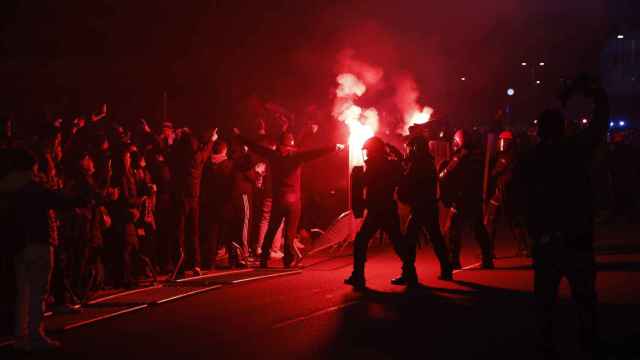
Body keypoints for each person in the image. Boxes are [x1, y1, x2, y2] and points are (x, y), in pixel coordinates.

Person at [512, 75, 609, 357]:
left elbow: (517, 198)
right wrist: (595, 93)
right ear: (563, 129)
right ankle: (589, 346)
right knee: (585, 300)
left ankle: (546, 347)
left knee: (545, 303)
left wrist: (527, 229)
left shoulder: (529, 160)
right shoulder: (575, 151)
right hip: (577, 238)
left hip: (546, 243)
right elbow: (599, 125)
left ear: (539, 132)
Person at [2, 148, 84, 351]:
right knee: (38, 292)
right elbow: (61, 202)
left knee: (22, 291)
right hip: (39, 242)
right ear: (32, 167)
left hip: (17, 245)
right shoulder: (34, 188)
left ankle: (20, 335)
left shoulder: (6, 188)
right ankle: (35, 335)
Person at [234, 128, 343, 268]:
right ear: (290, 145)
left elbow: (256, 147)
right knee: (289, 233)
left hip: (279, 199)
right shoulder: (297, 156)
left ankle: (264, 258)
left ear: (279, 145)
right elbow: (315, 153)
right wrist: (334, 147)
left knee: (272, 229)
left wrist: (240, 137)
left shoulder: (273, 155)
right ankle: (287, 261)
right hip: (293, 201)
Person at [344, 136, 414, 289]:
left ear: (374, 151)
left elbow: (365, 182)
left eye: (369, 151)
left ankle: (358, 276)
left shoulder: (376, 165)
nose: (367, 154)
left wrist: (357, 175)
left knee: (361, 241)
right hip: (388, 208)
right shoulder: (391, 164)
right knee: (398, 242)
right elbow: (401, 170)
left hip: (378, 210)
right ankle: (411, 273)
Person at [398, 135, 453, 283]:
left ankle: (408, 274)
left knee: (409, 239)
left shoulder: (418, 164)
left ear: (416, 148)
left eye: (410, 148)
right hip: (429, 205)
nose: (408, 151)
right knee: (436, 238)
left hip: (420, 206)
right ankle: (447, 269)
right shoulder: (427, 162)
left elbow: (408, 182)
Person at [439, 129, 494, 269]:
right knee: (478, 229)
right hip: (474, 197)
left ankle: (454, 260)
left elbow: (447, 174)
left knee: (453, 229)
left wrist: (442, 171)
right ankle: (487, 259)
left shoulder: (460, 157)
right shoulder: (478, 156)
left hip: (462, 198)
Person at [485, 130, 529, 257]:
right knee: (514, 221)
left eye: (504, 142)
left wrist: (491, 169)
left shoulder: (505, 158)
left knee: (491, 219)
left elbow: (494, 173)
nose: (502, 144)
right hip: (511, 193)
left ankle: (489, 250)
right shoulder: (516, 155)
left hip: (503, 192)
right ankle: (524, 248)